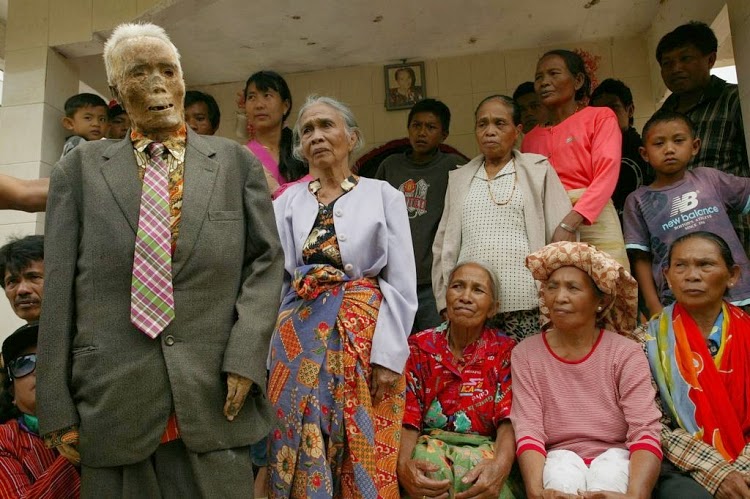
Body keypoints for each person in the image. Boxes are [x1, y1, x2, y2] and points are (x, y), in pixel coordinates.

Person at [37, 22, 283, 498]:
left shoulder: (234, 164)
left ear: (183, 78)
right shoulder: (80, 170)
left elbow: (266, 262)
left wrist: (246, 355)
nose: (156, 84)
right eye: (139, 73)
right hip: (112, 398)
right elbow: (60, 286)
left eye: (167, 70)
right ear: (115, 91)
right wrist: (55, 402)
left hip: (213, 395)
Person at [267, 95, 417, 498]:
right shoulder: (285, 204)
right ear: (300, 148)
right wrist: (272, 354)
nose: (316, 136)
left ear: (352, 137)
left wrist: (389, 355)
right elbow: (279, 282)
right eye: (307, 130)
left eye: (326, 126)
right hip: (298, 340)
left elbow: (401, 282)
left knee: (359, 443)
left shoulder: (384, 195)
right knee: (305, 435)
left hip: (364, 337)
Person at [512, 241, 662, 497]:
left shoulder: (625, 352)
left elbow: (644, 429)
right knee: (560, 475)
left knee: (609, 476)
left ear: (600, 301)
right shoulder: (526, 354)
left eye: (573, 288)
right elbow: (529, 429)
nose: (560, 297)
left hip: (617, 457)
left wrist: (635, 496)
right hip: (557, 458)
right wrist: (537, 492)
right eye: (552, 287)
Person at [432, 95, 571, 341]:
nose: (490, 131)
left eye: (499, 123)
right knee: (475, 377)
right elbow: (443, 244)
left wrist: (556, 295)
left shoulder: (538, 170)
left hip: (525, 302)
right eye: (482, 124)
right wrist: (444, 299)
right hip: (470, 304)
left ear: (517, 131)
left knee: (524, 376)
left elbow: (561, 243)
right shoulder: (460, 178)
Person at [399, 261, 523, 499]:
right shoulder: (419, 347)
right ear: (445, 296)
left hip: (485, 446)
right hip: (431, 445)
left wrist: (500, 467)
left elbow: (508, 421)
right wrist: (404, 466)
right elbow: (408, 418)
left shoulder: (505, 351)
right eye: (458, 286)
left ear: (493, 308)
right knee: (429, 470)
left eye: (478, 290)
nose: (465, 296)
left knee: (479, 477)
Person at [643, 232, 750, 497]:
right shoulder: (643, 344)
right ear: (667, 276)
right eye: (681, 266)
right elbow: (649, 422)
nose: (692, 275)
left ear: (732, 275)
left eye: (705, 265)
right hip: (682, 465)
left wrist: (743, 470)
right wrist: (717, 472)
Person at [624, 111, 750, 317]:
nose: (669, 149)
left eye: (678, 140)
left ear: (694, 146)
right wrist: (653, 305)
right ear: (644, 153)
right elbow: (641, 259)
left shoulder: (710, 179)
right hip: (679, 301)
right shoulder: (637, 200)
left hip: (736, 293)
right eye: (659, 143)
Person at [522, 49, 629, 270]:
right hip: (550, 223)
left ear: (578, 80)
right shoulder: (530, 140)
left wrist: (570, 221)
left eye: (553, 74)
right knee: (563, 297)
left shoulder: (600, 117)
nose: (544, 82)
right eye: (539, 77)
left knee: (610, 289)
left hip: (595, 217)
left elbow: (606, 174)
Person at [656, 21, 750, 258]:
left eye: (685, 59)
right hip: (677, 236)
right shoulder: (660, 120)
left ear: (710, 59)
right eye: (667, 63)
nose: (676, 68)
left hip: (735, 231)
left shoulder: (735, 100)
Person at [375, 98, 464, 332]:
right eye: (416, 125)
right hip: (393, 279)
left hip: (434, 282)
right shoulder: (390, 166)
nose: (421, 133)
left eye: (430, 127)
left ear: (444, 135)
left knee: (434, 346)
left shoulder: (453, 167)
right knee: (396, 348)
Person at [0, 322, 80, 497]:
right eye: (24, 364)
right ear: (12, 393)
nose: (41, 370)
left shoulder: (107, 414)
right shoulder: (5, 440)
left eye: (51, 359)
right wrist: (75, 452)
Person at [237, 70, 310, 197]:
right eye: (251, 97)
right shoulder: (241, 155)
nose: (259, 105)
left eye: (267, 96)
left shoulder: (303, 149)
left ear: (285, 106)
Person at [591, 78, 654, 219]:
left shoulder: (646, 148)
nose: (606, 115)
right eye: (599, 111)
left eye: (613, 107)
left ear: (630, 110)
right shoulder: (593, 153)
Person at [0, 235, 44, 323]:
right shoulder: (20, 336)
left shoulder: (77, 334)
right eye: (12, 281)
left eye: (34, 277)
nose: (22, 290)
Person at [60, 93, 109, 157]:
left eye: (102, 119)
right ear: (70, 123)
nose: (96, 124)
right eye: (88, 118)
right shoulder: (76, 142)